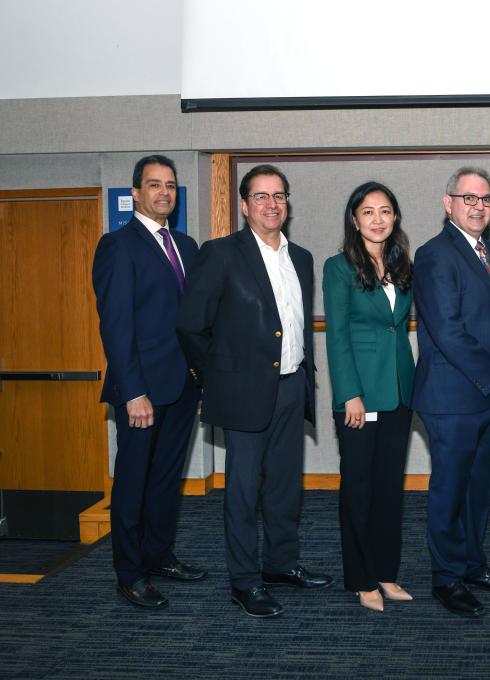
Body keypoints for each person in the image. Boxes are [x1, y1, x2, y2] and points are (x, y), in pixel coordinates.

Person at [177, 164, 332, 618]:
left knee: (285, 487)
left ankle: (280, 566)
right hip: (242, 393)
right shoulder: (221, 253)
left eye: (279, 196)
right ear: (244, 206)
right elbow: (191, 325)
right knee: (242, 492)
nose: (271, 204)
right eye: (261, 197)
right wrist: (216, 379)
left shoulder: (300, 257)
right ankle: (244, 581)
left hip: (291, 387)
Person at [411, 167, 490, 617]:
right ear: (449, 204)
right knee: (449, 490)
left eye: (485, 199)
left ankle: (472, 564)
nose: (478, 206)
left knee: (479, 490)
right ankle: (446, 579)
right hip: (453, 399)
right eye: (468, 198)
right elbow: (447, 330)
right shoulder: (434, 255)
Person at [92, 154, 205, 609]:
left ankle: (159, 556)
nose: (164, 192)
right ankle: (130, 573)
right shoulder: (118, 245)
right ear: (135, 192)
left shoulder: (187, 246)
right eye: (154, 184)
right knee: (134, 482)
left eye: (171, 185)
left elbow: (194, 321)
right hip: (141, 390)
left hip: (182, 386)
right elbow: (115, 326)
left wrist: (202, 380)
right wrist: (133, 390)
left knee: (165, 479)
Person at [323, 181, 415, 611]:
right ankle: (360, 579)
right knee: (358, 489)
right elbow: (337, 336)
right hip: (361, 397)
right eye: (369, 212)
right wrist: (350, 395)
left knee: (389, 490)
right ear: (354, 219)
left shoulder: (402, 265)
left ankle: (385, 572)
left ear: (394, 218)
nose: (378, 219)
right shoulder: (338, 267)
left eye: (386, 211)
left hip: (398, 394)